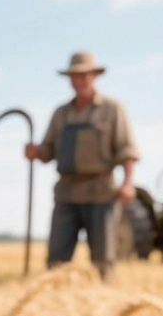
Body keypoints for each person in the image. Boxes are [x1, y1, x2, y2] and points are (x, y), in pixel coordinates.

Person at [24, 51, 139, 281]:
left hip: (101, 193)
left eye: (84, 75)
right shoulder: (61, 113)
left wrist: (127, 184)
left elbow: (127, 150)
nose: (79, 81)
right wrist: (36, 152)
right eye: (75, 76)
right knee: (56, 259)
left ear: (94, 76)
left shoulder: (112, 109)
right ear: (69, 79)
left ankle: (105, 305)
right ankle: (52, 303)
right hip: (67, 194)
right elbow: (49, 150)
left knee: (103, 261)